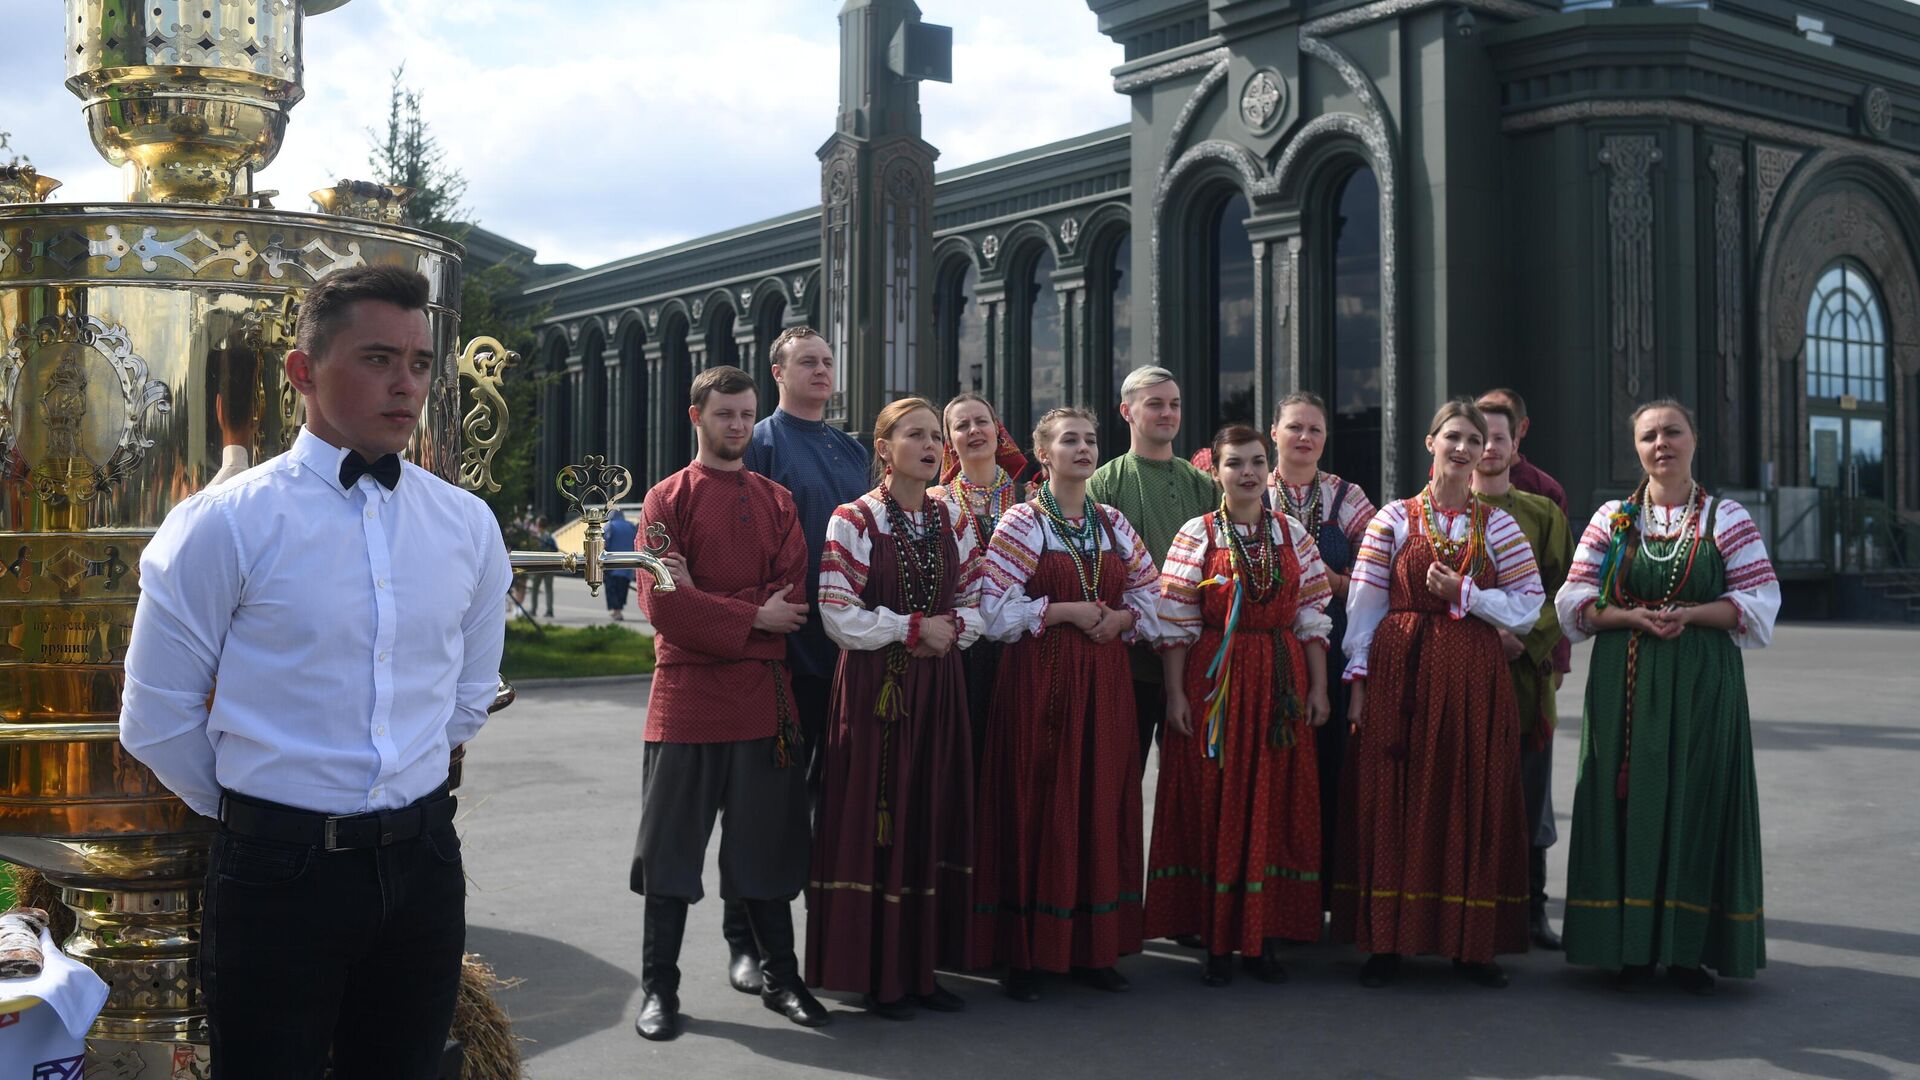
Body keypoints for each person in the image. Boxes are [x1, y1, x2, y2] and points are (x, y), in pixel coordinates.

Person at [118, 265, 512, 1076]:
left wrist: (400, 786)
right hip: (277, 874)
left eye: (421, 363)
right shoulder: (223, 526)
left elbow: (470, 694)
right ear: (303, 372)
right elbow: (156, 718)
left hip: (423, 863)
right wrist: (271, 810)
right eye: (377, 359)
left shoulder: (467, 526)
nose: (407, 385)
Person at [628, 365, 829, 1041]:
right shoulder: (665, 500)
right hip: (684, 703)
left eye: (746, 414)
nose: (738, 426)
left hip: (762, 708)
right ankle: (659, 990)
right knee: (669, 855)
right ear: (698, 418)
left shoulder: (777, 501)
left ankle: (781, 978)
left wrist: (710, 604)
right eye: (725, 415)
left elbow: (793, 602)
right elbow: (663, 606)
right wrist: (751, 616)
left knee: (766, 850)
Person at [1555, 399, 1779, 995]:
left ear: (1694, 440)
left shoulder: (1726, 519)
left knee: (1695, 798)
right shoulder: (1614, 517)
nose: (1662, 444)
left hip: (1702, 679)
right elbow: (1575, 600)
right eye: (1649, 435)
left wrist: (1690, 613)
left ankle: (1685, 951)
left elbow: (1759, 603)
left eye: (1672, 432)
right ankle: (1626, 947)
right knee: (1625, 801)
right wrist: (1631, 616)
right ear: (1636, 446)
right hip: (1623, 679)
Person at [1333, 398, 1544, 990]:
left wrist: (1466, 593)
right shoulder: (1393, 519)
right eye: (1452, 436)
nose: (1463, 449)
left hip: (1474, 675)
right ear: (1430, 443)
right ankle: (1387, 940)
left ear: (1488, 452)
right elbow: (1366, 607)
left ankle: (1470, 944)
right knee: (1396, 792)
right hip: (1403, 668)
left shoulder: (1498, 525)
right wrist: (1359, 682)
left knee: (1467, 790)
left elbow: (1530, 604)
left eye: (1474, 441)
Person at [973, 407, 1162, 1002]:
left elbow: (1154, 595)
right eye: (1069, 441)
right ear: (1045, 455)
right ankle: (1026, 953)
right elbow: (991, 610)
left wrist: (1125, 617)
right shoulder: (1023, 524)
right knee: (1038, 798)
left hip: (1104, 680)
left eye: (1090, 440)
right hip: (1039, 679)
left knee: (1099, 798)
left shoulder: (1112, 524)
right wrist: (1062, 612)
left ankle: (1091, 946)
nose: (1083, 449)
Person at [808, 397, 985, 1018]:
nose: (934, 446)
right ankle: (877, 975)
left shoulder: (951, 518)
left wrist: (952, 628)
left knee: (927, 814)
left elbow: (978, 597)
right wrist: (915, 630)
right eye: (916, 435)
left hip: (937, 690)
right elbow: (837, 613)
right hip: (875, 690)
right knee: (877, 817)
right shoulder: (853, 519)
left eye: (937, 436)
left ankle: (920, 970)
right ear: (884, 449)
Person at [1147, 425, 1333, 986]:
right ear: (1217, 472)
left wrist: (1319, 687)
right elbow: (1175, 621)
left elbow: (1311, 613)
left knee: (1274, 801)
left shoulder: (1292, 532)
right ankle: (1217, 940)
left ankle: (1261, 938)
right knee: (1215, 800)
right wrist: (1177, 693)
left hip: (1280, 679)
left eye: (1256, 462)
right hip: (1216, 683)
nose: (1248, 472)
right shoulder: (1197, 533)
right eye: (1236, 464)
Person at [738, 326, 871, 990]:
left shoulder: (851, 448)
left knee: (831, 801)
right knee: (767, 806)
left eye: (827, 361)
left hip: (844, 655)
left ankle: (823, 940)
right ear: (778, 372)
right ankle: (747, 939)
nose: (821, 370)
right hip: (780, 656)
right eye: (807, 362)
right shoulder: (760, 441)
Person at [1267, 391, 1377, 912]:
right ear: (1274, 434)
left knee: (1334, 766)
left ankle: (1330, 892)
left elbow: (1380, 573)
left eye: (1314, 428)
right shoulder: (1252, 489)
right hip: (1269, 653)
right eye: (1294, 427)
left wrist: (1329, 580)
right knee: (1276, 770)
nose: (1305, 437)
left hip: (1334, 653)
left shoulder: (1347, 498)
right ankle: (1277, 895)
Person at [1471, 401, 1574, 951]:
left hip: (1525, 680)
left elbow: (1568, 589)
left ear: (1515, 445)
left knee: (1531, 797)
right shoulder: (1440, 513)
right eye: (1475, 436)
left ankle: (1533, 911)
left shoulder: (1541, 513)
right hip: (1461, 677)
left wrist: (1527, 643)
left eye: (1496, 437)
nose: (1486, 447)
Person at [1087, 366, 1219, 763]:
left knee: (1189, 787)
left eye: (1174, 404)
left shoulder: (1205, 486)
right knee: (1123, 777)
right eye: (1155, 404)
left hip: (1195, 661)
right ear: (1126, 411)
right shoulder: (1103, 483)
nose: (1168, 413)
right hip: (1127, 664)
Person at [927, 391, 1027, 779]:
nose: (974, 431)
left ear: (998, 431)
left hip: (1021, 646)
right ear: (949, 440)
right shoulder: (936, 501)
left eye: (981, 421)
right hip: (962, 649)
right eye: (961, 425)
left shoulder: (1030, 497)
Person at [604, 509, 638, 621]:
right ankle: (618, 611)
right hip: (627, 566)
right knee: (623, 588)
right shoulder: (631, 526)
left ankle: (616, 611)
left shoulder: (610, 526)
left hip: (612, 565)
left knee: (612, 588)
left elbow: (604, 543)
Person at [531, 515, 558, 618]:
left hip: (539, 566)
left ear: (538, 525)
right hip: (550, 566)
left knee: (535, 589)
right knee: (549, 589)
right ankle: (550, 610)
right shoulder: (550, 537)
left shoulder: (537, 537)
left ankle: (533, 609)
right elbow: (555, 550)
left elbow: (534, 551)